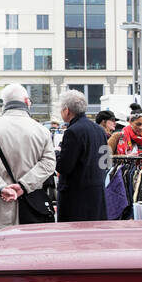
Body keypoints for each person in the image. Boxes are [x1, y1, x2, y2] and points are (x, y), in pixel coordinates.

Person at [0, 84, 57, 238]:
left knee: (0, 256)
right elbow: (49, 163)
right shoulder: (41, 130)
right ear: (26, 101)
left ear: (3, 103)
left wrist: (1, 187)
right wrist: (23, 185)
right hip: (32, 209)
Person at [55, 89, 107, 222]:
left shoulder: (72, 131)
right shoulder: (100, 130)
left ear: (67, 110)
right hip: (97, 194)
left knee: (74, 238)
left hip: (75, 197)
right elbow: (105, 162)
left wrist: (56, 155)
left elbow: (64, 167)